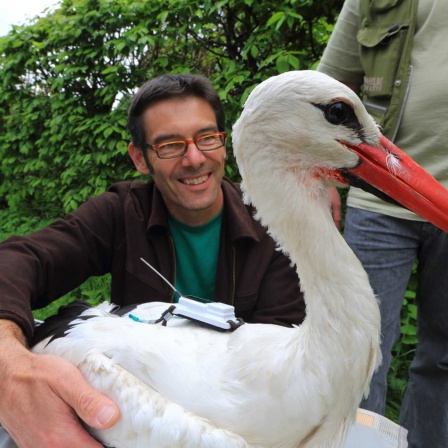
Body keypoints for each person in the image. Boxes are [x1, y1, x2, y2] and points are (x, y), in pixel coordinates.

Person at [0, 73, 306, 447]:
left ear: (224, 145)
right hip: (134, 421)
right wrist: (7, 362)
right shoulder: (120, 213)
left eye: (207, 138)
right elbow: (22, 261)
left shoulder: (274, 225)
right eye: (169, 145)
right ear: (140, 159)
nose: (194, 159)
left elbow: (283, 366)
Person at [317, 1, 448, 447]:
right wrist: (322, 179)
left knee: (445, 357)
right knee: (359, 352)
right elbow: (326, 87)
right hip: (380, 200)